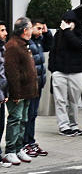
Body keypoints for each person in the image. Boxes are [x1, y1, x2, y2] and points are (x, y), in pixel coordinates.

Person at [2, 18, 38, 165]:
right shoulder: (13, 46)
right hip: (18, 92)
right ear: (24, 30)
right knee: (15, 120)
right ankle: (10, 150)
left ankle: (18, 148)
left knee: (23, 120)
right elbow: (12, 72)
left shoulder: (24, 45)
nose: (32, 31)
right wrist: (15, 93)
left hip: (27, 91)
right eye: (30, 28)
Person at [49, 10, 82, 137]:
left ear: (76, 23)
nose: (67, 24)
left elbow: (78, 45)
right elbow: (53, 52)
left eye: (70, 22)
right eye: (65, 22)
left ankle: (73, 124)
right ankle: (63, 126)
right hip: (59, 72)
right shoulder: (58, 35)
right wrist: (53, 69)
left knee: (74, 101)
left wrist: (67, 31)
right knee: (60, 100)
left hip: (76, 72)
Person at [23, 18, 52, 157]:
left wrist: (47, 33)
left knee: (33, 114)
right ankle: (25, 142)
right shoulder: (27, 42)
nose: (41, 31)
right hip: (30, 84)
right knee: (28, 114)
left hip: (38, 83)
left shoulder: (39, 40)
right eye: (38, 28)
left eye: (42, 29)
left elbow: (49, 46)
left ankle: (31, 141)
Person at [0, 22, 10, 167]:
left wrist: (5, 92)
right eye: (2, 30)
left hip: (1, 94)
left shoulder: (2, 48)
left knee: (1, 125)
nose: (6, 32)